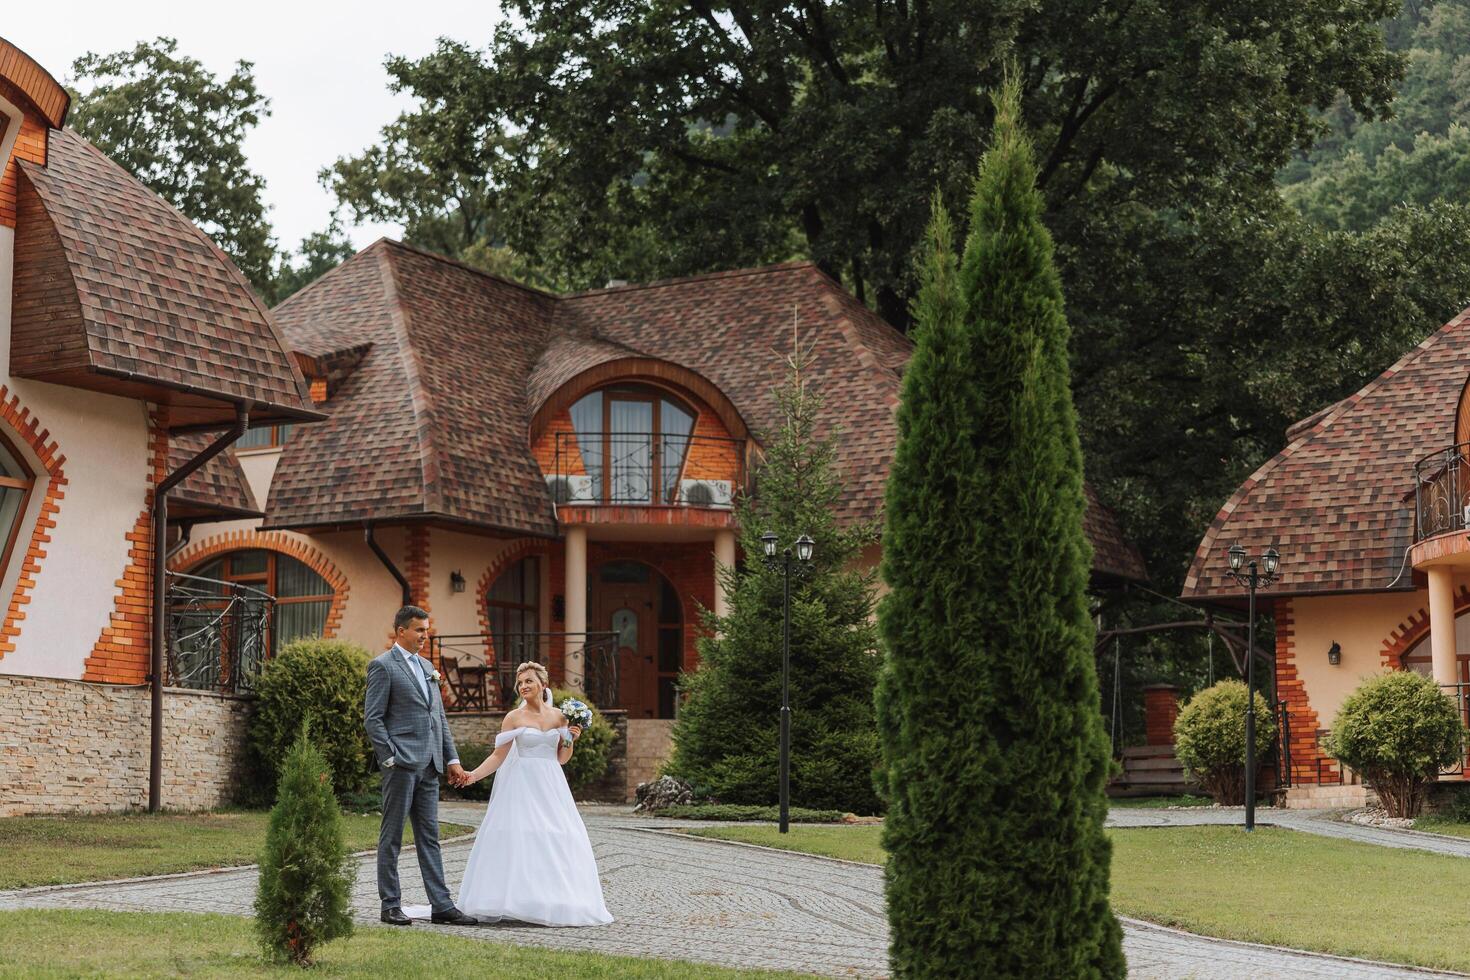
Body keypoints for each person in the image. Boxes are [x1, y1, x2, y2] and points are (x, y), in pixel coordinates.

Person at [455, 660, 614, 926]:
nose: (523, 686)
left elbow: (562, 758)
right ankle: (513, 900)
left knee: (557, 835)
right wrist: (472, 776)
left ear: (543, 684)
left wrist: (570, 738)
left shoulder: (560, 716)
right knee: (521, 835)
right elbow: (498, 756)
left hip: (551, 782)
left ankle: (553, 900)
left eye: (528, 681)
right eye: (520, 683)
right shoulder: (514, 718)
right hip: (522, 784)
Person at [363, 605, 478, 927]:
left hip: (430, 766)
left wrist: (452, 759)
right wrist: (390, 758)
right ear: (401, 631)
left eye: (426, 630)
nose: (425, 636)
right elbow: (373, 719)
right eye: (419, 630)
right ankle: (390, 905)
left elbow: (437, 718)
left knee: (430, 836)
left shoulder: (428, 667)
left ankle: (441, 905)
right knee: (393, 836)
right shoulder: (383, 667)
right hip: (401, 765)